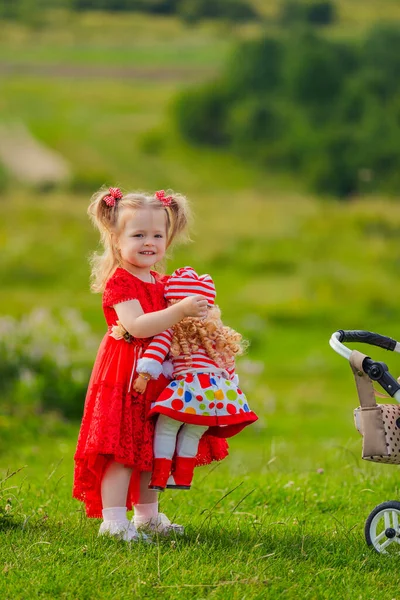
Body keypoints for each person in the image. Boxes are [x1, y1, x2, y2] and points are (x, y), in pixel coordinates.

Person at [73, 187, 229, 542]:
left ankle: (147, 515)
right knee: (122, 447)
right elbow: (137, 325)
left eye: (157, 235)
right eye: (138, 234)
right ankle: (113, 520)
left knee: (152, 444)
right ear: (115, 238)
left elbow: (174, 326)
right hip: (126, 373)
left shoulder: (161, 281)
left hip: (159, 373)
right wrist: (179, 310)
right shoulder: (121, 282)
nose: (149, 242)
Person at [133, 266, 258, 492]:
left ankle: (160, 477)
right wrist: (231, 384)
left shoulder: (171, 327)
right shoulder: (217, 332)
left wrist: (144, 375)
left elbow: (156, 351)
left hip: (190, 390)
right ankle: (182, 477)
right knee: (192, 430)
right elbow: (228, 362)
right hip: (219, 394)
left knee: (167, 428)